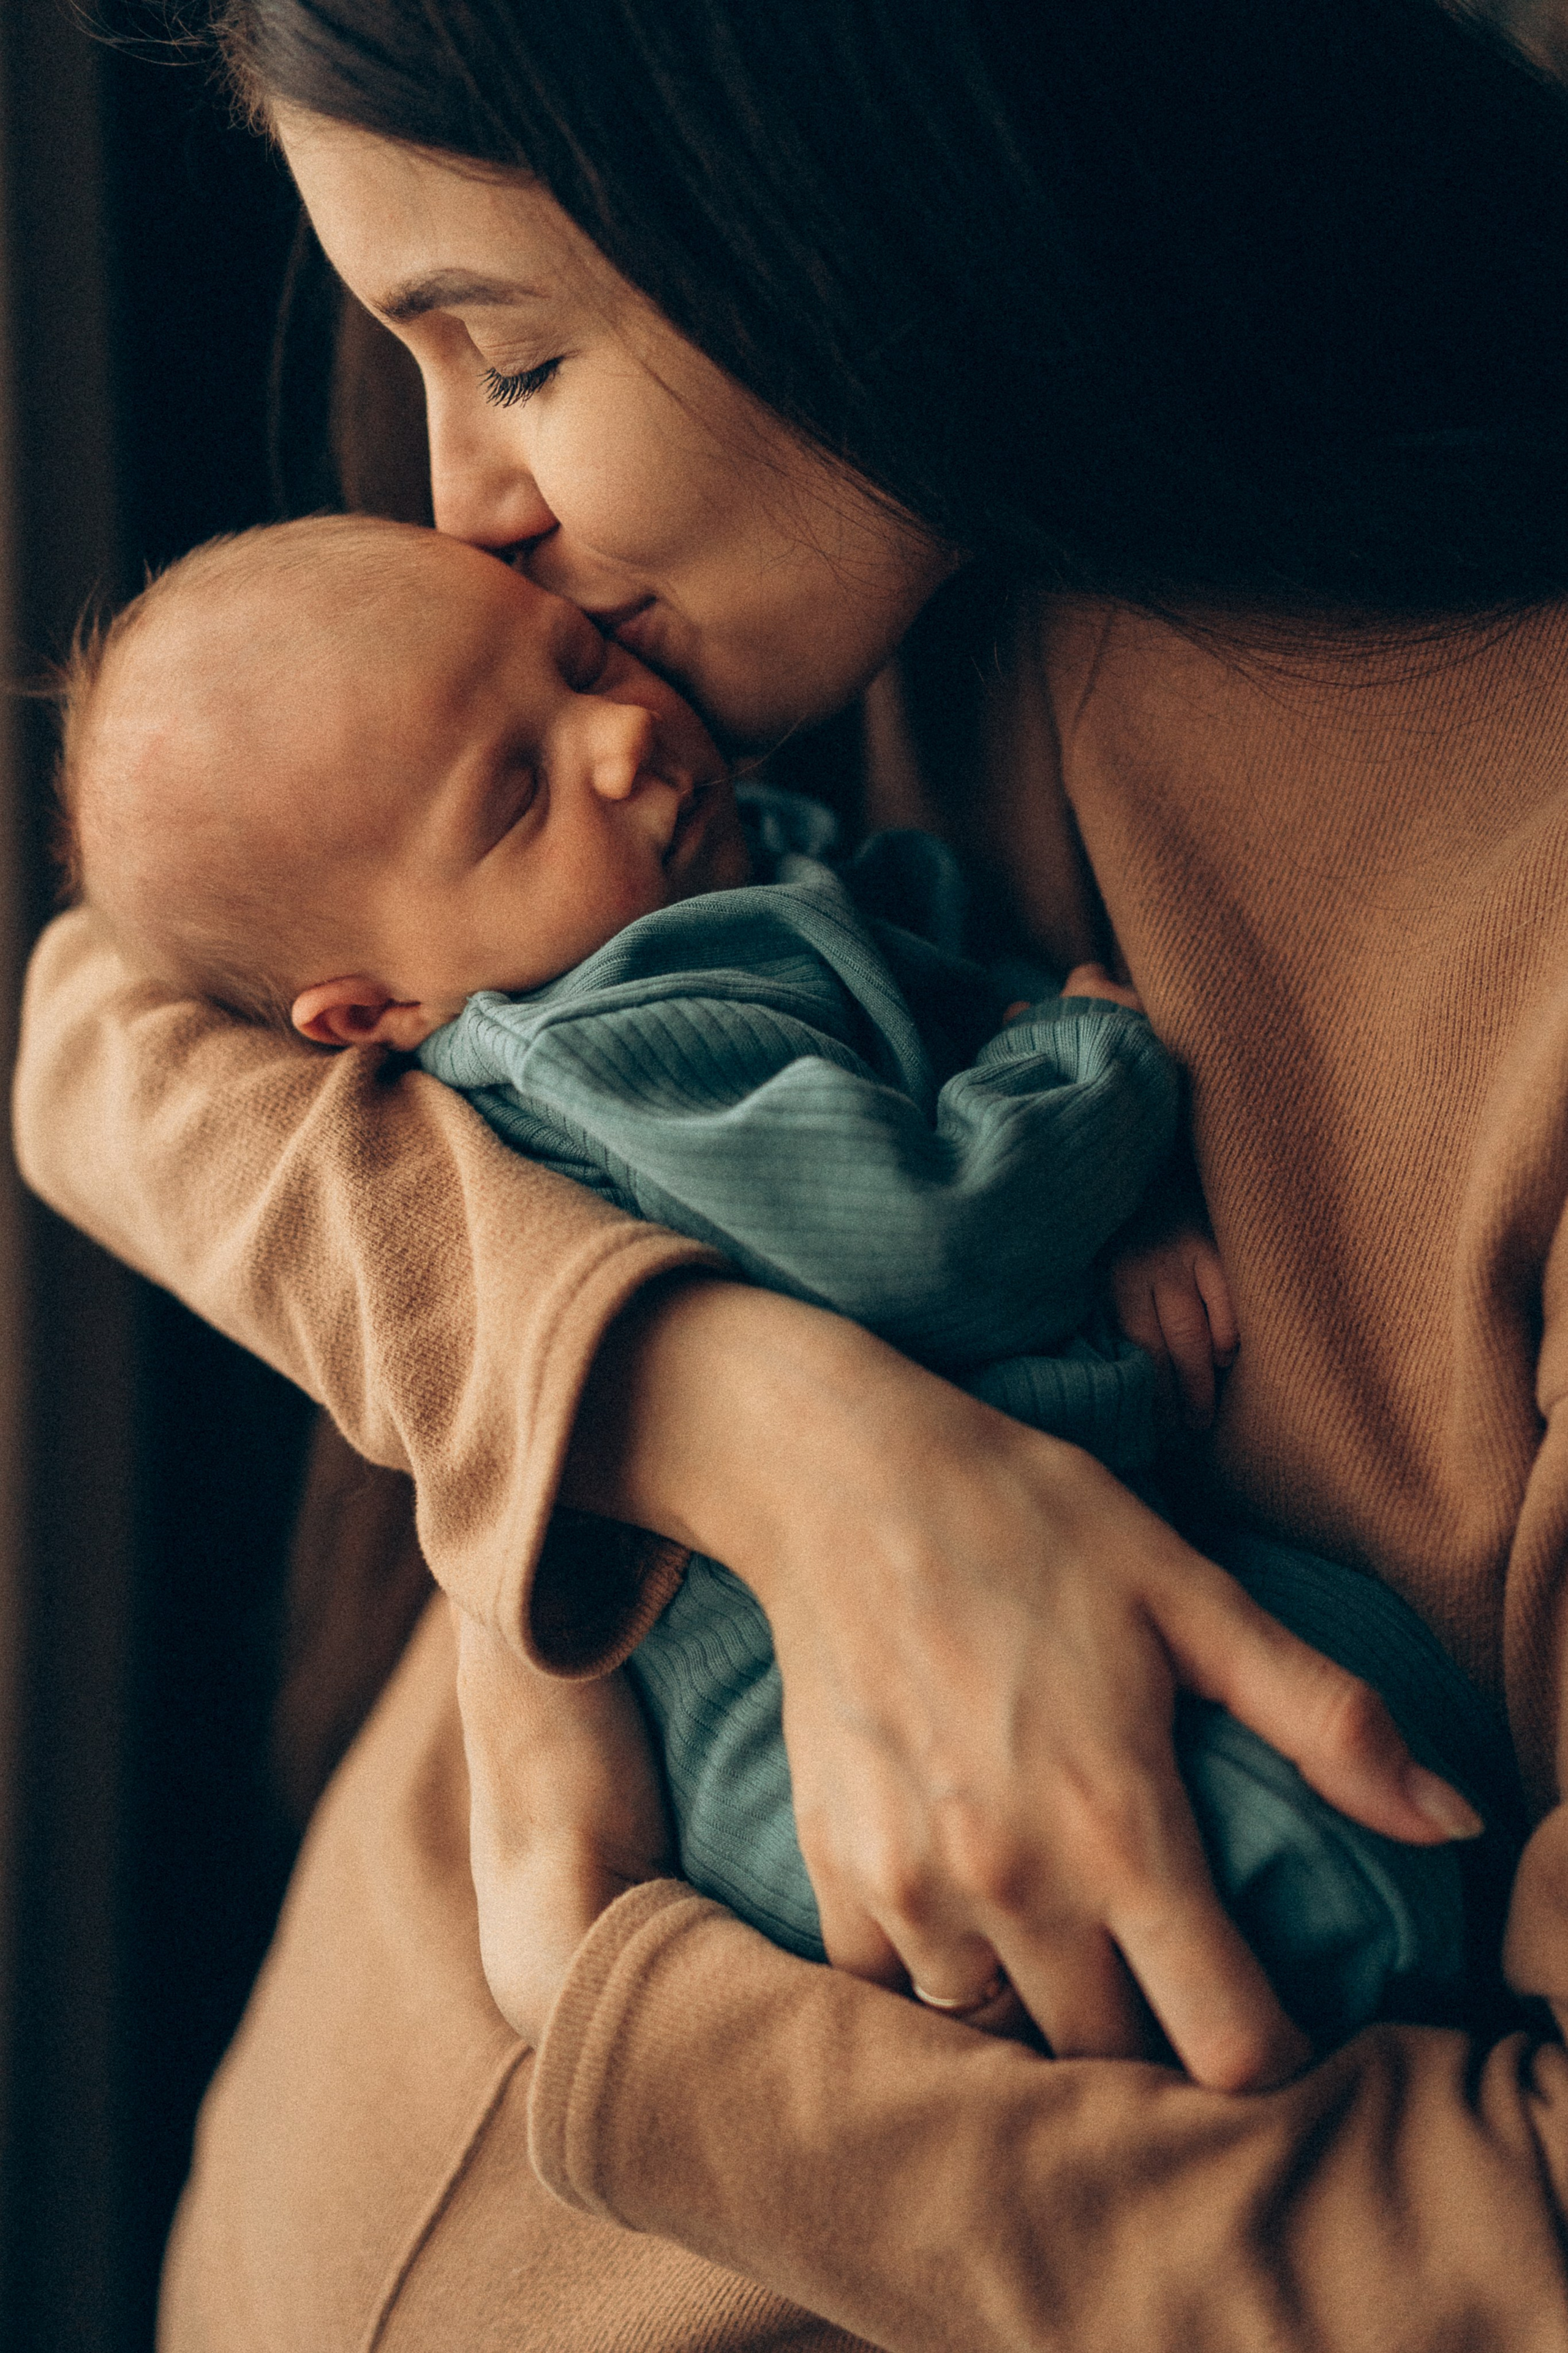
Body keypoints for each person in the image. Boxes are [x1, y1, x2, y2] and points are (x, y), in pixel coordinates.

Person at [17, 0, 1568, 2341]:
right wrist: (717, 1406)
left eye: (511, 355)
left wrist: (621, 2008)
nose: (458, 508)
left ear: (855, 157)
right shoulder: (831, 612)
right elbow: (106, 1025)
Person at [57, 507, 1502, 2048]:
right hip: (758, 1714)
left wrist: (1103, 1181)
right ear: (372, 1012)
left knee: (1383, 1688)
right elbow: (927, 1238)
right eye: (513, 794)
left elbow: (947, 975)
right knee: (1282, 1874)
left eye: (574, 659)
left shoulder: (721, 874)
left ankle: (1461, 1919)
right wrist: (1092, 1069)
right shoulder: (616, 1037)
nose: (617, 739)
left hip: (1048, 1543)